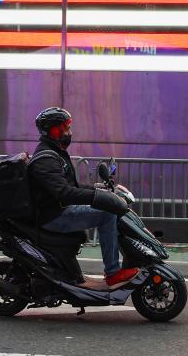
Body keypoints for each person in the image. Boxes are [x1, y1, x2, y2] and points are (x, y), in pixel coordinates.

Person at [27, 107, 139, 288]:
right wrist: (98, 198)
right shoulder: (45, 159)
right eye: (65, 128)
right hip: (54, 216)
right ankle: (113, 273)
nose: (69, 133)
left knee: (107, 210)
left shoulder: (54, 153)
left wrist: (100, 189)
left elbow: (72, 186)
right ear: (54, 130)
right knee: (107, 214)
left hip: (58, 210)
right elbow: (64, 193)